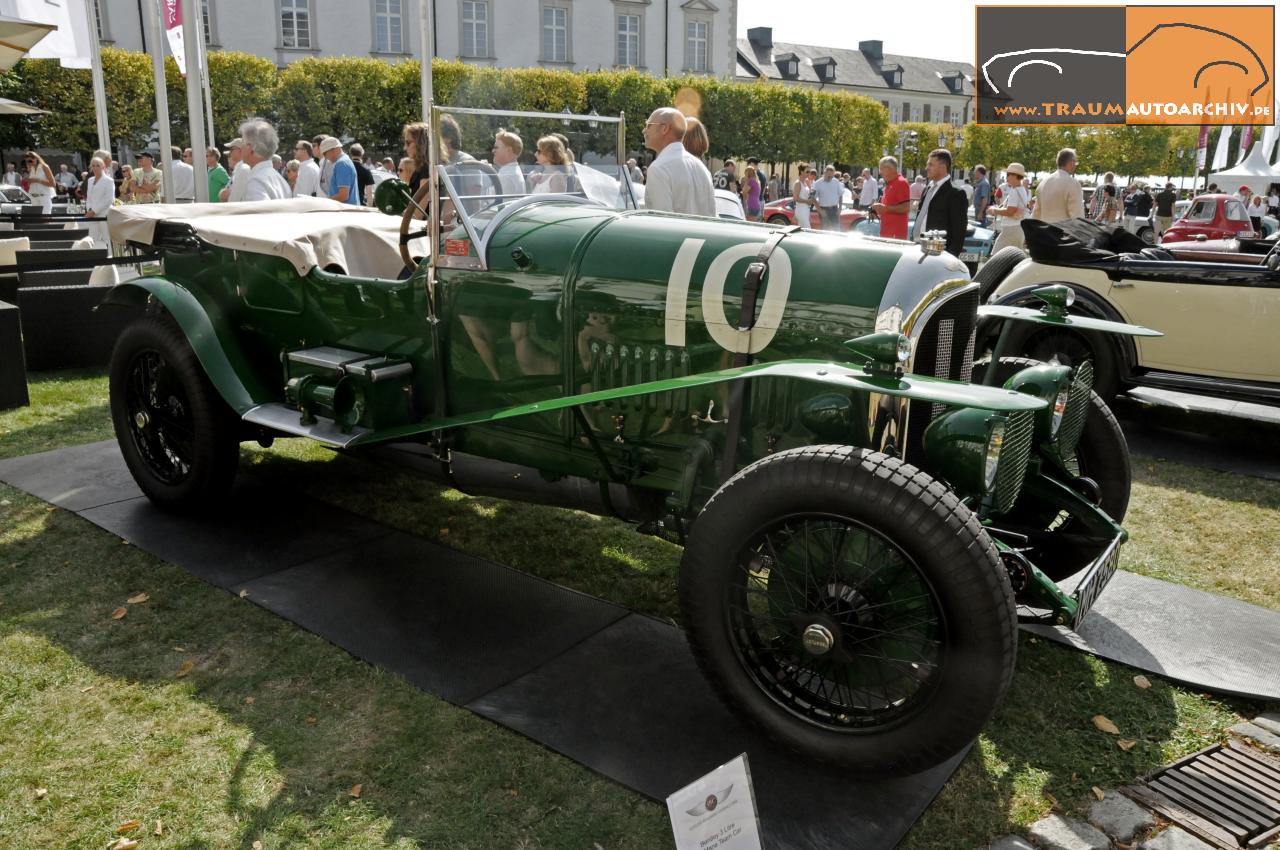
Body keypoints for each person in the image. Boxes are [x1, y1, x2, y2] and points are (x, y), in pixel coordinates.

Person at [640, 107, 714, 216]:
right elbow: (712, 216)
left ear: (664, 128)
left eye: (648, 125)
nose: (644, 130)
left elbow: (663, 222)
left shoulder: (659, 168)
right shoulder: (703, 169)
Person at [912, 148, 968, 257]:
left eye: (931, 164)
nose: (926, 168)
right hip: (917, 247)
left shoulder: (956, 193)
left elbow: (959, 230)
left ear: (943, 167)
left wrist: (951, 257)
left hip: (938, 253)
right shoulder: (927, 189)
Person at [239, 118, 291, 202]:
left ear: (250, 147)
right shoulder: (279, 179)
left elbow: (259, 213)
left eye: (242, 142)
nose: (241, 147)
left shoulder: (256, 182)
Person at [1031, 148, 1084, 224]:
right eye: (1075, 163)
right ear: (1071, 163)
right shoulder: (1073, 183)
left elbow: (1036, 214)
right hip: (1063, 233)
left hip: (1044, 232)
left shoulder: (1043, 183)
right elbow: (1077, 216)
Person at [988, 162, 1031, 252]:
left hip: (1012, 229)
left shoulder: (1015, 191)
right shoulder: (1021, 189)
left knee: (996, 257)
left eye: (1008, 174)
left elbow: (1010, 211)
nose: (1006, 177)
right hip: (1018, 228)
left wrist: (994, 210)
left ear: (1015, 175)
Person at [870, 155, 911, 240]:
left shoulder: (900, 182)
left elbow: (906, 207)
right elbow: (888, 206)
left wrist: (885, 208)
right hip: (888, 232)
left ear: (889, 168)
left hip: (895, 235)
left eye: (881, 169)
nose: (880, 172)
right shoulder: (891, 183)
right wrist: (877, 210)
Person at [83, 156, 115, 250]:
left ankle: (109, 260)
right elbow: (89, 197)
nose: (95, 168)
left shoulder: (109, 180)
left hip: (104, 214)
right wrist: (89, 209)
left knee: (106, 239)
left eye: (98, 165)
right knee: (92, 239)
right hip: (92, 215)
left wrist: (94, 211)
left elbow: (108, 199)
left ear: (103, 167)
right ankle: (96, 261)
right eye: (93, 166)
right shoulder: (90, 180)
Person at [318, 136, 358, 205]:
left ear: (334, 150)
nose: (325, 157)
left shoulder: (341, 163)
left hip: (344, 211)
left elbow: (343, 196)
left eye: (325, 153)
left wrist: (324, 202)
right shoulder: (344, 161)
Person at [492, 129, 526, 197]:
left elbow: (491, 202)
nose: (493, 151)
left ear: (508, 150)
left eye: (496, 147)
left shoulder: (507, 176)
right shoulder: (510, 172)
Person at [813, 164, 844, 230]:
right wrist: (820, 210)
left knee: (837, 230)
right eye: (828, 175)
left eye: (831, 176)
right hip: (824, 210)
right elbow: (813, 198)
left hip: (835, 209)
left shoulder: (836, 181)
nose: (830, 177)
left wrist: (840, 207)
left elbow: (840, 194)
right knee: (824, 231)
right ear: (824, 173)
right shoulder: (818, 183)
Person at [402, 121, 431, 193]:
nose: (405, 148)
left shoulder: (427, 169)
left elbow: (421, 204)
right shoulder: (422, 168)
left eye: (408, 143)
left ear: (421, 143)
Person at [222, 138, 251, 202]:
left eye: (232, 149)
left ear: (240, 150)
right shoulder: (239, 168)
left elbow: (234, 199)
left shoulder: (243, 169)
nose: (230, 152)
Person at [793, 163, 814, 228]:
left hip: (806, 209)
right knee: (808, 230)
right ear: (801, 172)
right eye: (807, 172)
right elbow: (796, 198)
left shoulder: (805, 182)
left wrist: (810, 186)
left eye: (810, 172)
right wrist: (807, 201)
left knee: (804, 232)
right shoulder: (798, 183)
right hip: (801, 210)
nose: (809, 173)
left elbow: (808, 195)